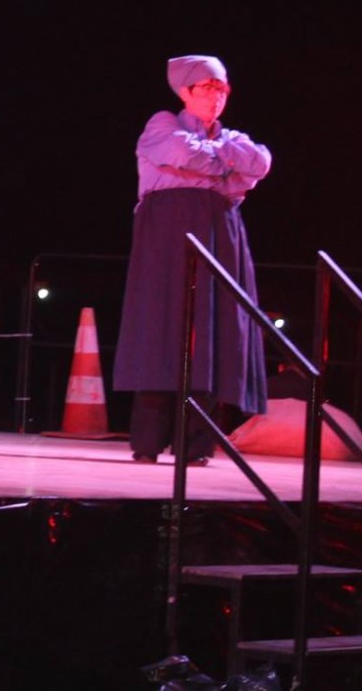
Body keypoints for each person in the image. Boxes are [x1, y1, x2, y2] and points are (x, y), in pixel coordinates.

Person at [111, 54, 273, 464]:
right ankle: (148, 442)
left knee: (212, 332)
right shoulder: (162, 123)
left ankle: (196, 446)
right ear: (185, 91)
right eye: (207, 88)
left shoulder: (233, 136)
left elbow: (259, 164)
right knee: (160, 328)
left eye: (222, 89)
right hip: (167, 232)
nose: (217, 96)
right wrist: (224, 167)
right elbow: (183, 153)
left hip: (220, 233)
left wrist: (217, 159)